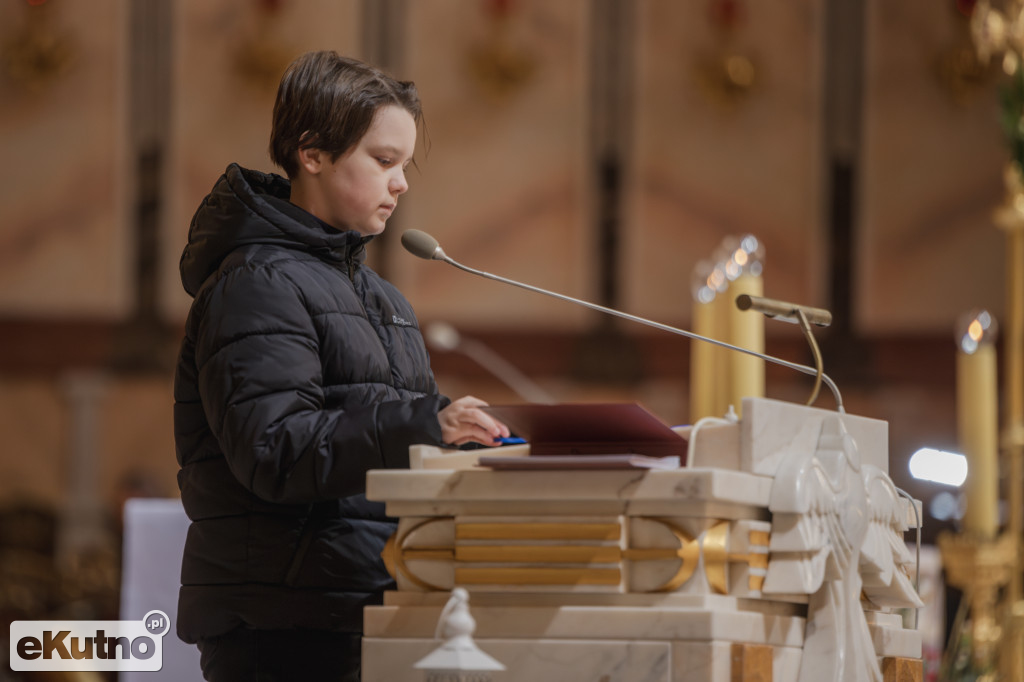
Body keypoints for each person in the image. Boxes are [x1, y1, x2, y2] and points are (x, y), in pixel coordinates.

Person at [172, 50, 510, 681]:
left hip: (372, 605)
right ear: (313, 152)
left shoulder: (385, 301)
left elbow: (405, 448)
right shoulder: (256, 285)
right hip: (285, 627)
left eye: (404, 165)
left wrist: (481, 450)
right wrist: (427, 426)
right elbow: (272, 448)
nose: (401, 183)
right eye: (384, 161)